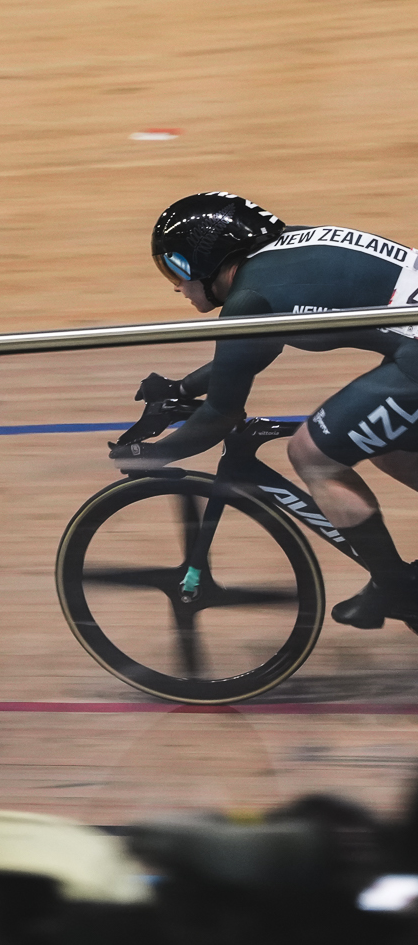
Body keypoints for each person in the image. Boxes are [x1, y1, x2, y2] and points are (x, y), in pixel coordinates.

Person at [116, 192, 418, 627]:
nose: (175, 285)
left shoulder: (250, 299)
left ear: (206, 260)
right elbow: (255, 348)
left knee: (312, 455)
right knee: (384, 444)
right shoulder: (282, 255)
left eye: (175, 268)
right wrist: (182, 388)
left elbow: (221, 416)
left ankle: (397, 588)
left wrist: (147, 457)